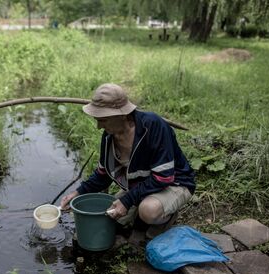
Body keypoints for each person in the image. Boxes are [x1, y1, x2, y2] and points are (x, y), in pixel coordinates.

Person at [60, 83, 196, 238]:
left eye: (103, 120)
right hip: (142, 184)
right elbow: (102, 175)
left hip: (174, 183)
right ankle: (140, 209)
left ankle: (166, 217)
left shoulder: (153, 126)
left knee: (148, 211)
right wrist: (78, 192)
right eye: (97, 120)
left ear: (122, 114)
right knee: (108, 216)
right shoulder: (109, 137)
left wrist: (128, 200)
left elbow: (163, 177)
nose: (98, 126)